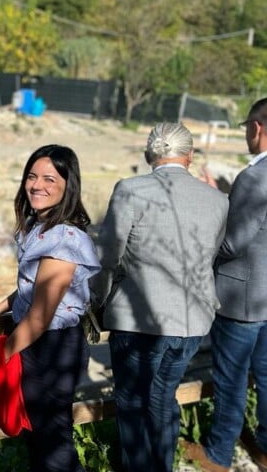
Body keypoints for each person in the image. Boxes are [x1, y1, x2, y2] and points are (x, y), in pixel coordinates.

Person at [93, 122, 228, 472]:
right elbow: (210, 255)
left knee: (132, 404)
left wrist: (99, 300)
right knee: (162, 397)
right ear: (190, 156)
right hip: (192, 320)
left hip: (139, 321)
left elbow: (108, 256)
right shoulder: (216, 199)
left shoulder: (130, 189)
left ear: (148, 154)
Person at [0, 144, 101, 472]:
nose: (37, 185)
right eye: (32, 176)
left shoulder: (63, 237)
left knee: (53, 443)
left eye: (50, 179)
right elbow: (34, 289)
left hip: (51, 348)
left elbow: (40, 315)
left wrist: (1, 353)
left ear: (68, 185)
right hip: (42, 344)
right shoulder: (41, 226)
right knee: (40, 436)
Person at [184, 98, 267, 472]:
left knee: (230, 378)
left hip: (241, 298)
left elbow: (233, 243)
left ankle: (218, 454)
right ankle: (264, 445)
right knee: (265, 374)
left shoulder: (254, 176)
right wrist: (221, 195)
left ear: (257, 128)